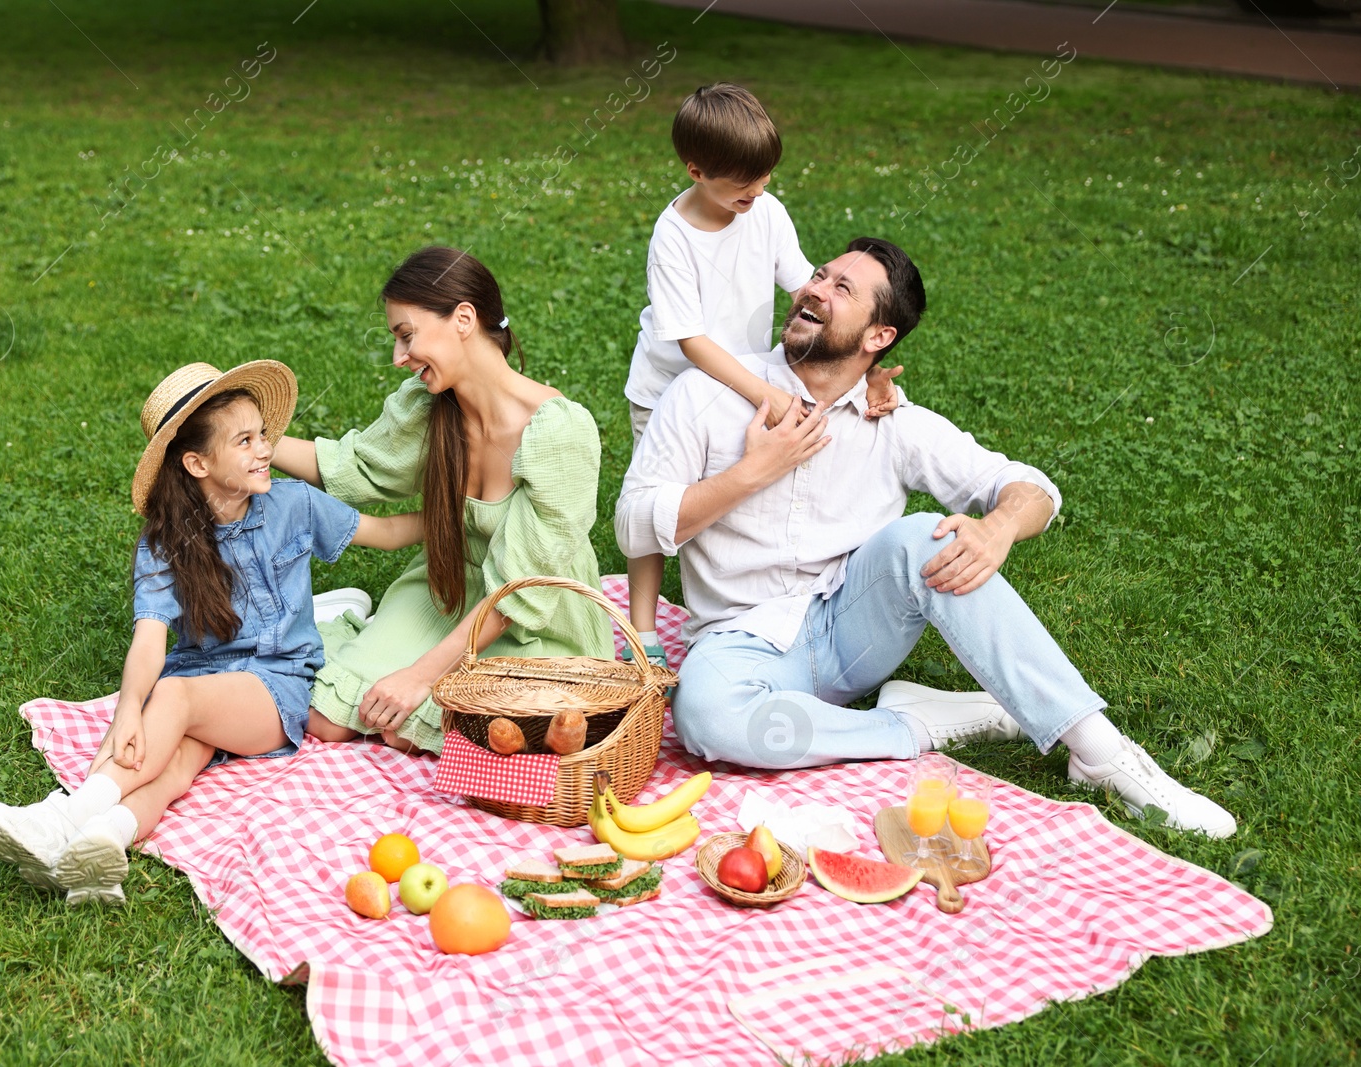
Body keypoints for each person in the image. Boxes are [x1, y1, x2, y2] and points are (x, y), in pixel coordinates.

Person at [615, 237, 1237, 838]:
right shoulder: (704, 394)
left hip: (850, 632)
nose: (814, 289)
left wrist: (997, 529)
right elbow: (632, 520)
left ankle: (1099, 750)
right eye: (819, 276)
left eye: (842, 288)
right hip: (740, 639)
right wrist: (752, 472)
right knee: (704, 718)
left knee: (930, 536)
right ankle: (914, 723)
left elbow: (1033, 488)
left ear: (878, 338)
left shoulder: (897, 423)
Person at [0, 361, 424, 904]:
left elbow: (390, 533)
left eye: (263, 436)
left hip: (275, 685)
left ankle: (60, 815)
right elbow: (149, 638)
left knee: (174, 696)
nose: (265, 450)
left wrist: (463, 518)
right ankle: (97, 848)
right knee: (175, 762)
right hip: (204, 682)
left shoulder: (294, 504)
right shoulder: (166, 542)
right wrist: (129, 709)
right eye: (246, 440)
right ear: (197, 463)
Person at [272, 246, 614, 755]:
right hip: (449, 586)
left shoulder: (559, 434)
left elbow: (519, 590)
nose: (398, 357)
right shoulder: (432, 408)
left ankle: (385, 650)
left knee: (479, 735)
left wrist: (418, 676)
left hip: (529, 613)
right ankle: (343, 625)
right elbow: (357, 467)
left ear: (463, 319)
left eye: (406, 335)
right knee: (329, 719)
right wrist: (253, 441)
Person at [621, 83, 899, 667]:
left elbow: (807, 289)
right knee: (654, 506)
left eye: (765, 177)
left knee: (732, 485)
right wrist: (764, 392)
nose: (758, 191)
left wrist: (861, 368)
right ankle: (641, 628)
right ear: (696, 171)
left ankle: (744, 606)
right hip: (670, 390)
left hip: (743, 383)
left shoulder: (765, 211)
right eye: (743, 183)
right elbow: (691, 341)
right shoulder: (673, 237)